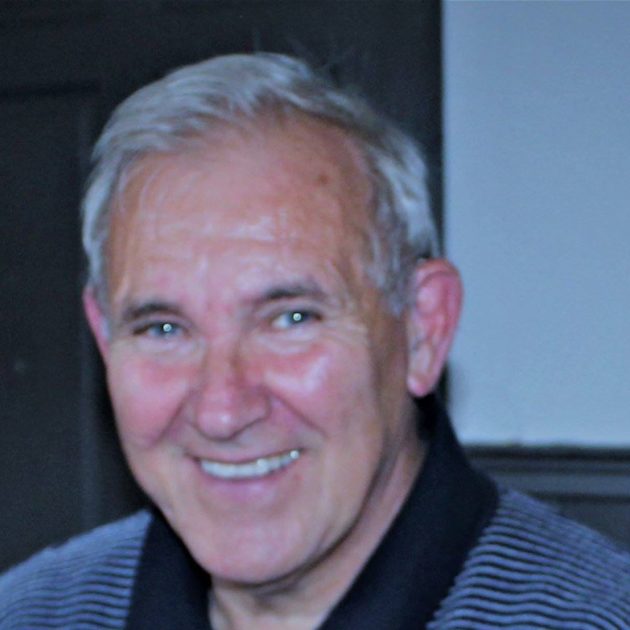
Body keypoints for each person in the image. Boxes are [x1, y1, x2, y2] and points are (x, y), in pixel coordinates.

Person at [1, 53, 629, 630]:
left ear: (422, 328)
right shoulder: (32, 614)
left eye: (290, 319)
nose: (222, 411)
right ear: (104, 339)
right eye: (163, 329)